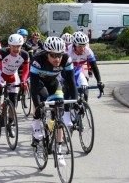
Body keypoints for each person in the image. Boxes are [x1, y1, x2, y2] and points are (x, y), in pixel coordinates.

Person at [30, 36, 78, 166]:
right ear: (47, 54)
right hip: (39, 84)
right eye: (53, 55)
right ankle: (36, 126)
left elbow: (71, 82)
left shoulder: (66, 59)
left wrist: (76, 101)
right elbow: (33, 88)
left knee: (59, 115)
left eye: (59, 55)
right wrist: (38, 106)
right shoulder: (37, 60)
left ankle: (59, 150)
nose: (57, 59)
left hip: (53, 83)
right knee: (40, 101)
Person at [0, 33, 29, 137]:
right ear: (9, 46)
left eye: (18, 46)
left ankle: (10, 124)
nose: (16, 49)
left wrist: (24, 81)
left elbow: (26, 70)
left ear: (22, 46)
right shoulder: (2, 53)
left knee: (13, 104)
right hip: (0, 74)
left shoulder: (24, 55)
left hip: (12, 75)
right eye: (14, 46)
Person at [66, 31, 104, 101]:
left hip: (78, 71)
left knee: (85, 87)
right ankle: (66, 111)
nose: (82, 48)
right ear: (74, 45)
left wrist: (99, 81)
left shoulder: (88, 51)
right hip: (66, 72)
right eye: (80, 46)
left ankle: (83, 108)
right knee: (67, 92)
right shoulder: (68, 52)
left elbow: (94, 66)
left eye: (84, 45)